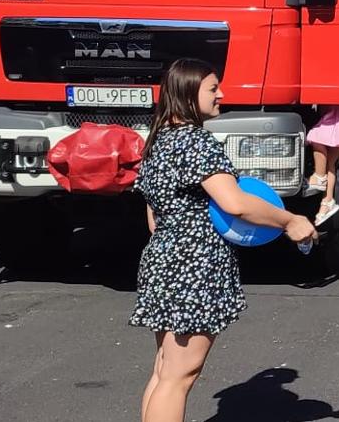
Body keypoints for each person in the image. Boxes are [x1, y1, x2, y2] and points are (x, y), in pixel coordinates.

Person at [129, 58, 318, 422]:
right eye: (212, 89)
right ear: (187, 93)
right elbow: (234, 202)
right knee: (179, 376)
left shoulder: (158, 139)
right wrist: (289, 219)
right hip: (194, 265)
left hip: (161, 258)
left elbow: (153, 217)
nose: (221, 95)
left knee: (165, 371)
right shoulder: (196, 142)